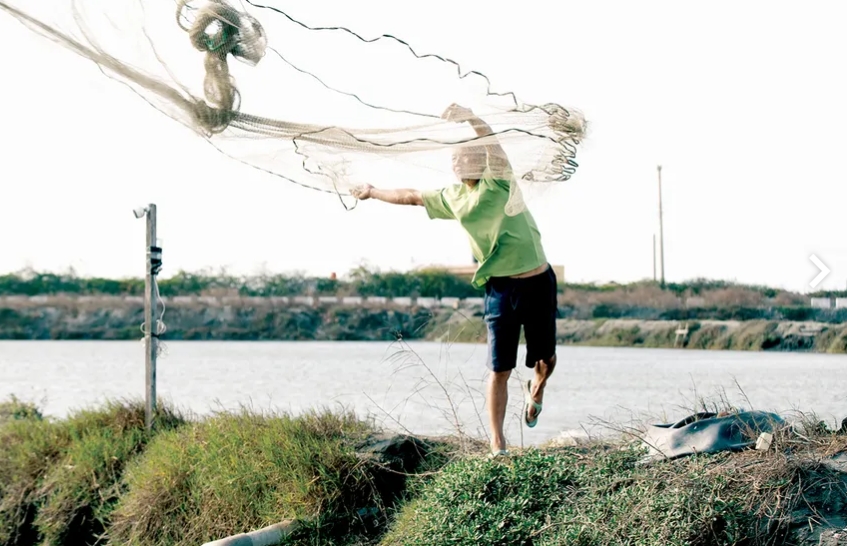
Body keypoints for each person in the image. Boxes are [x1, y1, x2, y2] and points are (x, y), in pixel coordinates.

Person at [351, 103, 558, 457]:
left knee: (546, 360)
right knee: (500, 368)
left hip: (539, 281)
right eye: (454, 160)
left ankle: (536, 390)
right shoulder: (454, 198)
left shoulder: (499, 181)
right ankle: (498, 443)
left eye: (463, 158)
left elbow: (493, 143)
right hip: (500, 288)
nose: (456, 163)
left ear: (478, 162)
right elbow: (412, 197)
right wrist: (373, 191)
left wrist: (472, 118)